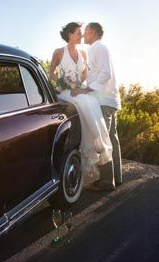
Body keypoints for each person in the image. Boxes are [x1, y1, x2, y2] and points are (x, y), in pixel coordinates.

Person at [49, 22, 113, 182]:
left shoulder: (84, 53)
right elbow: (51, 74)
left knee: (89, 101)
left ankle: (98, 144)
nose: (82, 35)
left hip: (78, 89)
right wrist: (62, 83)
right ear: (70, 34)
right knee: (86, 102)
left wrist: (78, 84)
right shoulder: (58, 52)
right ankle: (96, 145)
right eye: (79, 32)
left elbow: (85, 74)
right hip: (64, 91)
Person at [74, 22, 122, 190]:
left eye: (85, 31)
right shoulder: (97, 48)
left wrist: (88, 88)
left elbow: (106, 73)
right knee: (112, 140)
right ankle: (117, 177)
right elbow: (98, 73)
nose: (83, 35)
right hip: (109, 99)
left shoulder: (99, 48)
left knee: (102, 141)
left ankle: (107, 182)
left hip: (103, 100)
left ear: (93, 32)